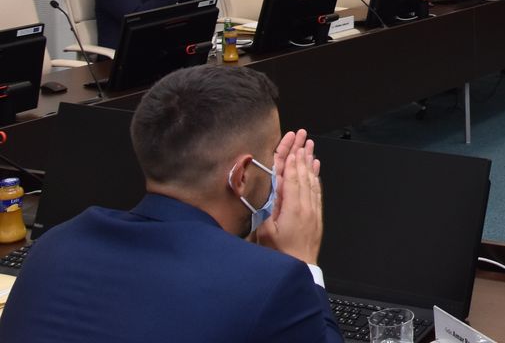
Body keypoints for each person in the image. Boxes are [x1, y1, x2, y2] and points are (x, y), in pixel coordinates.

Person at [0, 66, 341, 343]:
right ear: (241, 176)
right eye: (272, 156)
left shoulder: (53, 247)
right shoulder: (272, 282)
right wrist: (302, 262)